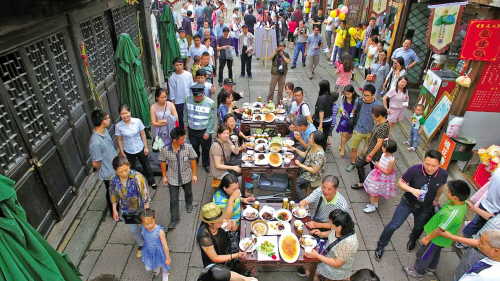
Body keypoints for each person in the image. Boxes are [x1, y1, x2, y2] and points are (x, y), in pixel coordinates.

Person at [375, 150, 449, 260]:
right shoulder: (414, 170)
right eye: (427, 164)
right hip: (407, 203)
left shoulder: (443, 174)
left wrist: (436, 199)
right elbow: (400, 183)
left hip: (425, 207)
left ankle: (413, 240)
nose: (429, 168)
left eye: (433, 166)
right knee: (394, 225)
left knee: (419, 227)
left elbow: (441, 187)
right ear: (423, 160)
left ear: (439, 164)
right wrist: (411, 190)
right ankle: (381, 245)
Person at [402, 180, 471, 279]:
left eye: (448, 191)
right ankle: (431, 268)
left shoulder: (452, 214)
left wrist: (428, 238)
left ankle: (418, 272)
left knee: (424, 255)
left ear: (455, 197)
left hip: (435, 239)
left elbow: (440, 230)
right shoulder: (460, 203)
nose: (446, 192)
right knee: (435, 252)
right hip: (439, 241)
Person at [434, 204, 500, 280]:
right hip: (476, 251)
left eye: (482, 242)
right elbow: (491, 217)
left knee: (462, 273)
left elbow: (477, 243)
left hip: (478, 254)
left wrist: (451, 237)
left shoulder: (482, 274)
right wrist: (473, 207)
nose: (479, 242)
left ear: (496, 250)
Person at [110, 156, 150, 258]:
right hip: (126, 210)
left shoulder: (137, 177)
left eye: (126, 170)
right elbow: (114, 195)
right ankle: (141, 244)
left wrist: (147, 210)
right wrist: (114, 209)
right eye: (120, 172)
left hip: (140, 208)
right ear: (115, 170)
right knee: (134, 230)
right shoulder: (114, 179)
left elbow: (145, 194)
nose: (124, 173)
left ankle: (151, 243)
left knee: (147, 227)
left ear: (129, 166)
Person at [158, 127, 198, 229]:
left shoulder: (188, 147)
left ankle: (189, 203)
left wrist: (194, 174)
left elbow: (193, 160)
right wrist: (164, 176)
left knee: (188, 192)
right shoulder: (165, 149)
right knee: (173, 198)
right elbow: (162, 162)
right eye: (181, 139)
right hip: (172, 176)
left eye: (184, 138)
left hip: (186, 175)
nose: (183, 141)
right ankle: (174, 218)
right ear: (174, 140)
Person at [304, 209, 358, 280]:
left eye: (331, 224)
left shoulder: (347, 244)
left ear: (339, 227)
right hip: (328, 251)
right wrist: (321, 233)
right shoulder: (341, 228)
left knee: (308, 269)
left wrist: (317, 256)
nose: (330, 225)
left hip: (336, 269)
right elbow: (332, 232)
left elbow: (337, 263)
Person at [115, 104, 156, 189]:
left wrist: (145, 147)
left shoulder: (137, 121)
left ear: (130, 112)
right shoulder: (118, 126)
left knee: (146, 165)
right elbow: (119, 139)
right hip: (128, 149)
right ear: (120, 115)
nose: (125, 115)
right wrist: (122, 151)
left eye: (126, 113)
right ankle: (134, 184)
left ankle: (151, 181)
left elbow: (143, 134)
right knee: (131, 168)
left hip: (139, 147)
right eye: (122, 114)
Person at [196, 202, 246, 270]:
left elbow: (235, 229)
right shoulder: (205, 237)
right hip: (217, 263)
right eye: (219, 221)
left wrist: (232, 222)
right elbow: (215, 258)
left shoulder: (219, 222)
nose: (222, 222)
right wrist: (236, 255)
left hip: (227, 248)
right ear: (210, 223)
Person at [345, 84, 383, 172]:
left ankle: (361, 160)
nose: (364, 97)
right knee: (354, 148)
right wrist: (351, 118)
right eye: (363, 95)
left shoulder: (378, 105)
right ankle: (353, 163)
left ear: (373, 95)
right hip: (358, 129)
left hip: (371, 131)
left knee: (368, 149)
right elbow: (353, 110)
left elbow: (380, 118)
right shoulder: (359, 100)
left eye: (367, 95)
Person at [351, 106, 389, 190]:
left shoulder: (383, 127)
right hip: (371, 149)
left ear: (380, 116)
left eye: (374, 115)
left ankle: (362, 182)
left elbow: (379, 143)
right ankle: (372, 182)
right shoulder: (380, 122)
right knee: (373, 168)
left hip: (375, 152)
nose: (372, 116)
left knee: (360, 164)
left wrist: (370, 155)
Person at [89, 109, 118, 216]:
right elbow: (95, 163)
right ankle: (113, 211)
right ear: (103, 121)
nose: (109, 119)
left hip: (115, 167)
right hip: (108, 172)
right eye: (108, 117)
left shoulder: (105, 131)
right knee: (111, 192)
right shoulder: (95, 142)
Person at [461, 168, 500, 242]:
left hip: (486, 202)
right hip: (493, 210)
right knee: (476, 225)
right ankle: (462, 241)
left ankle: (463, 240)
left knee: (475, 224)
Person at [184, 83, 216, 173]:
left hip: (204, 130)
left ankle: (206, 163)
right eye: (195, 96)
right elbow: (185, 111)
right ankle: (196, 159)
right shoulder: (188, 99)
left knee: (206, 149)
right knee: (194, 146)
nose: (197, 98)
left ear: (203, 93)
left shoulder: (210, 103)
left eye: (199, 96)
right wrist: (185, 122)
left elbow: (211, 119)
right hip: (192, 130)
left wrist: (208, 132)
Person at [285, 130, 325, 200]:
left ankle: (302, 199)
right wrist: (294, 149)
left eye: (310, 138)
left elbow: (313, 171)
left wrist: (300, 165)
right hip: (305, 168)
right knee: (290, 172)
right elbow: (304, 155)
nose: (308, 139)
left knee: (294, 183)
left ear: (315, 141)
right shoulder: (311, 146)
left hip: (311, 175)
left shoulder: (320, 155)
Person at [363, 139, 398, 213]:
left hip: (382, 177)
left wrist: (378, 167)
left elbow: (388, 172)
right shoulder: (383, 154)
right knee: (376, 191)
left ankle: (372, 206)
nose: (382, 147)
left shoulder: (391, 160)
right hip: (377, 174)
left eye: (383, 147)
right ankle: (375, 203)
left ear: (387, 149)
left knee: (372, 191)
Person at [140, 209, 171, 281]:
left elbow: (165, 245)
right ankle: (157, 268)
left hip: (159, 251)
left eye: (152, 222)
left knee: (164, 263)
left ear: (155, 218)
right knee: (149, 266)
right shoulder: (143, 229)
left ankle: (165, 273)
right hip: (149, 250)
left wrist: (167, 258)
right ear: (142, 223)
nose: (150, 225)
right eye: (146, 224)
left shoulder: (159, 231)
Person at [169, 57, 193, 130]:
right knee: (180, 117)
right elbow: (172, 91)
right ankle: (182, 132)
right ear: (174, 66)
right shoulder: (172, 78)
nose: (179, 67)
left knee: (190, 116)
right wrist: (172, 103)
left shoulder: (188, 75)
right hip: (178, 101)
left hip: (188, 99)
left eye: (180, 64)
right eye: (177, 65)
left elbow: (191, 86)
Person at [312, 80, 336, 150]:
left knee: (317, 136)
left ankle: (317, 150)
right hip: (329, 120)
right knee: (325, 136)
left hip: (320, 121)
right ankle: (323, 150)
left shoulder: (321, 98)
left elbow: (321, 111)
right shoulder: (332, 96)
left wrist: (320, 124)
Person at [336, 85, 358, 157]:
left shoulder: (356, 100)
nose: (347, 95)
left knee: (350, 135)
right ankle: (343, 148)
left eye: (349, 94)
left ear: (353, 93)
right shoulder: (343, 98)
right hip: (345, 118)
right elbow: (342, 106)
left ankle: (342, 143)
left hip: (352, 119)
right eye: (346, 94)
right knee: (344, 134)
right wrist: (342, 111)